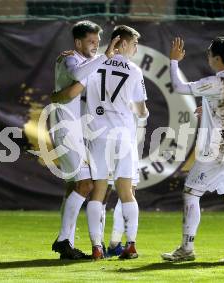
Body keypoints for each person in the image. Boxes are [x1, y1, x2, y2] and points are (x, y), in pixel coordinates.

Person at [57, 25, 148, 260]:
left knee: (97, 192)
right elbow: (141, 110)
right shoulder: (135, 70)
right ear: (123, 43)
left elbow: (75, 89)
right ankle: (131, 245)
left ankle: (97, 248)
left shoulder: (94, 65)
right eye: (135, 44)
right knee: (127, 193)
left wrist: (56, 96)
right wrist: (136, 110)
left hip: (97, 136)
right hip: (124, 136)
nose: (136, 49)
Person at [161, 36, 224, 263]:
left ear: (218, 58)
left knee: (191, 193)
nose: (208, 56)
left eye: (210, 53)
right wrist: (212, 110)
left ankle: (187, 248)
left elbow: (179, 87)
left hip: (215, 150)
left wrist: (174, 62)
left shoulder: (216, 82)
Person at [50, 20, 119, 259]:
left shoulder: (87, 62)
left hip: (77, 129)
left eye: (98, 42)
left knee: (73, 187)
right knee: (86, 184)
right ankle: (63, 240)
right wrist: (104, 57)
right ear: (78, 42)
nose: (95, 46)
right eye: (91, 41)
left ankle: (66, 241)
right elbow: (77, 77)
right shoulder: (71, 59)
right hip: (66, 128)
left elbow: (71, 91)